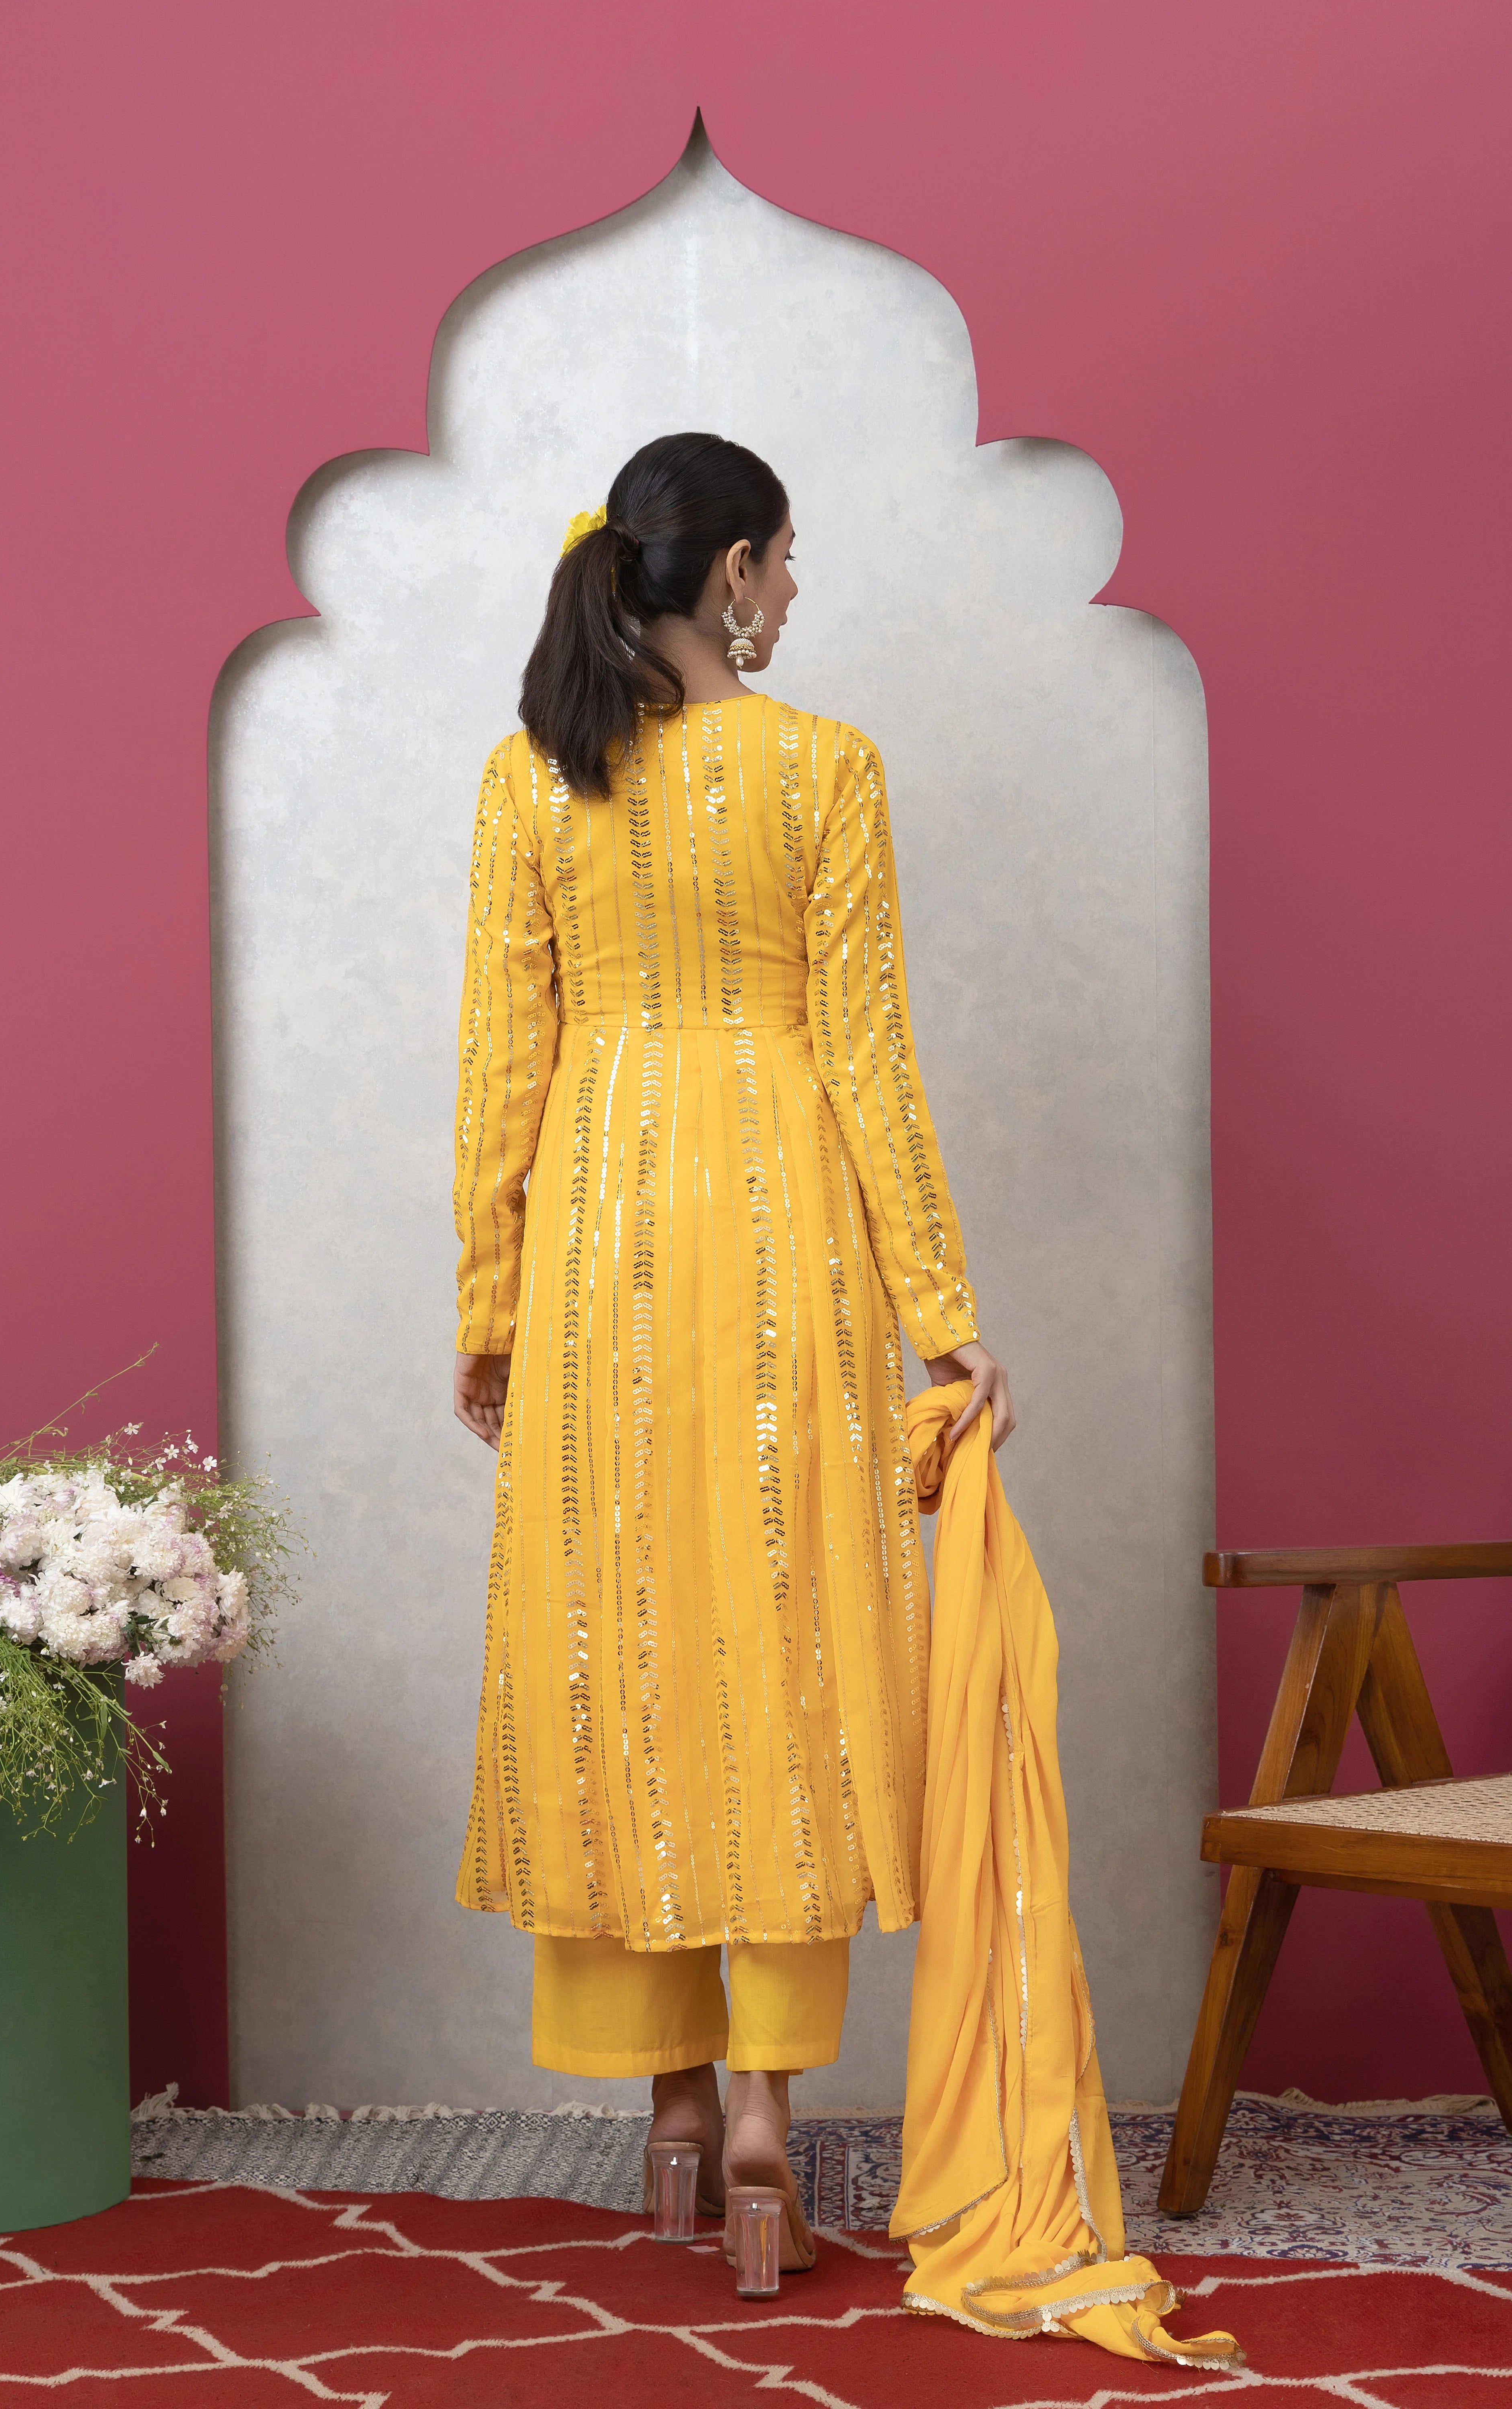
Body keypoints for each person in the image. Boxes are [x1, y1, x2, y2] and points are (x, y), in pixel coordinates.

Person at [451, 429, 1012, 2271]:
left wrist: (490, 1310)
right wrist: (944, 1318)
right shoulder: (824, 772)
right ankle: (768, 2111)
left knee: (619, 1640)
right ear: (745, 569)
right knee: (777, 1635)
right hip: (785, 1241)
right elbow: (872, 1063)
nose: (796, 592)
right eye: (791, 559)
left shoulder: (530, 783)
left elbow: (498, 1072)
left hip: (601, 1241)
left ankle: (670, 2110)